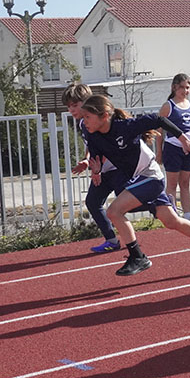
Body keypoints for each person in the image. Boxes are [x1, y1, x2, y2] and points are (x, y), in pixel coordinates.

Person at [80, 94, 190, 276]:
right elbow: (97, 159)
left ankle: (138, 256)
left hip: (151, 176)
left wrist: (183, 140)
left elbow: (159, 119)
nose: (84, 121)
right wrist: (96, 170)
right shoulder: (93, 137)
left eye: (87, 117)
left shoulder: (125, 127)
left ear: (104, 115)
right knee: (171, 221)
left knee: (114, 211)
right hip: (137, 179)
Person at [63, 84, 126, 253]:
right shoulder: (83, 123)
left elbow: (106, 147)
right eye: (68, 106)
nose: (71, 109)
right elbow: (92, 146)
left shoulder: (95, 119)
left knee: (127, 203)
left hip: (119, 168)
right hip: (105, 170)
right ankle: (112, 240)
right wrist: (86, 159)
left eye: (75, 105)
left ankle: (159, 205)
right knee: (93, 202)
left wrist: (95, 171)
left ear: (87, 102)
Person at [156, 73, 190, 222]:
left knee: (185, 183)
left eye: (187, 88)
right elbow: (159, 131)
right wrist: (159, 152)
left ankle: (188, 215)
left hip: (188, 150)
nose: (185, 91)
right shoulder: (168, 106)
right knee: (172, 183)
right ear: (174, 87)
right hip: (172, 148)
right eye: (182, 87)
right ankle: (171, 215)